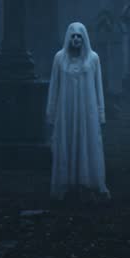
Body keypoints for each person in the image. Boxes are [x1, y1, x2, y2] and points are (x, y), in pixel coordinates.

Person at [47, 22, 109, 202]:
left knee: (87, 143)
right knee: (66, 141)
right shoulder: (59, 59)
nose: (76, 39)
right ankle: (66, 184)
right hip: (66, 111)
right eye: (73, 36)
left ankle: (88, 182)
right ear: (68, 38)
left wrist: (101, 113)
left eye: (79, 36)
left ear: (84, 38)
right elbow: (54, 87)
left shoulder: (93, 59)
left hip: (87, 112)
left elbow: (98, 87)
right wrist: (51, 112)